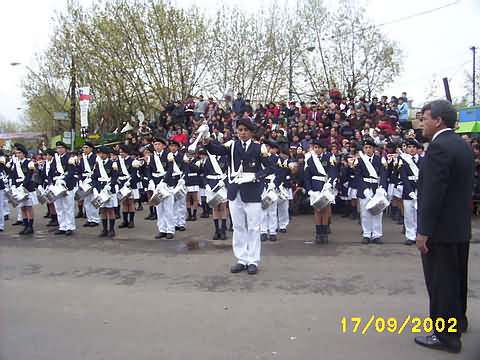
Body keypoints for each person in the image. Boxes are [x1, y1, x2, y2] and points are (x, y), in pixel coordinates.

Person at [414, 100, 473, 353]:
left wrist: (423, 231)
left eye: (425, 118)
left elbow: (432, 194)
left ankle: (446, 336)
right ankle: (458, 321)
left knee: (442, 283)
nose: (422, 123)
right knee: (457, 278)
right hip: (459, 225)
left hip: (440, 229)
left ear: (438, 120)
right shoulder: (462, 145)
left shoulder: (438, 148)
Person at [203, 117, 274, 275]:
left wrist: (256, 176)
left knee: (254, 227)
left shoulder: (259, 148)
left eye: (245, 130)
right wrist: (207, 142)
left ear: (251, 132)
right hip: (235, 191)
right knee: (238, 227)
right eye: (240, 130)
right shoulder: (231, 145)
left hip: (253, 191)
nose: (242, 133)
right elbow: (217, 150)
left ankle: (253, 260)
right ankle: (242, 259)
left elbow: (271, 167)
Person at [354, 138, 388, 244]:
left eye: (370, 147)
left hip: (376, 187)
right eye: (366, 148)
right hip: (365, 188)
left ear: (373, 149)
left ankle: (377, 235)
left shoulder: (380, 159)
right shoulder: (359, 161)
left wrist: (382, 187)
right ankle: (367, 234)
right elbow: (358, 176)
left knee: (378, 212)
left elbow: (383, 175)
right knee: (365, 212)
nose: (368, 150)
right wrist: (364, 189)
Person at [398, 138, 423, 245]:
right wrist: (410, 191)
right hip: (408, 190)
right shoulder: (403, 160)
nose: (412, 149)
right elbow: (403, 177)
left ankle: (419, 235)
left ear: (417, 149)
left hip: (420, 189)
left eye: (414, 147)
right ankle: (410, 236)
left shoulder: (423, 160)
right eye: (409, 147)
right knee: (409, 214)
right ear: (406, 149)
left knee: (420, 214)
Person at [49, 141, 77, 236]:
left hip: (67, 186)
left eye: (61, 148)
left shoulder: (70, 159)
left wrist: (64, 180)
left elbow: (71, 172)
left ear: (65, 149)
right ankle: (62, 226)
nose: (59, 150)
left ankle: (70, 226)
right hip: (57, 185)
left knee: (68, 207)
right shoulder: (54, 159)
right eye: (58, 148)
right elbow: (50, 172)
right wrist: (51, 183)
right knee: (59, 207)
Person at [91, 146, 118, 237]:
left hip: (109, 188)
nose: (101, 155)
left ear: (107, 154)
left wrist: (110, 186)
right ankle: (104, 229)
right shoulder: (98, 164)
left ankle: (111, 229)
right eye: (99, 153)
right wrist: (95, 188)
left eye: (102, 153)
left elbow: (114, 177)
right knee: (102, 209)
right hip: (100, 188)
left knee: (110, 209)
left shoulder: (112, 164)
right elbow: (94, 177)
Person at [78, 142, 100, 227]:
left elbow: (98, 170)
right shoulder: (82, 159)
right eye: (84, 148)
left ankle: (95, 219)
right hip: (85, 181)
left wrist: (93, 178)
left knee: (94, 200)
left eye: (86, 147)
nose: (84, 149)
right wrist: (80, 180)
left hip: (94, 180)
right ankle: (89, 218)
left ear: (91, 148)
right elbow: (79, 170)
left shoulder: (96, 158)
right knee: (86, 202)